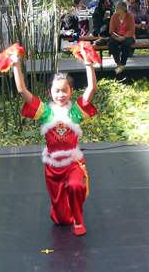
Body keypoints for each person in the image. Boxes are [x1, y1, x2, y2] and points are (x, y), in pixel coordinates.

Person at [11, 46, 98, 236]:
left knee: (75, 186)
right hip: (53, 167)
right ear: (50, 92)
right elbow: (22, 90)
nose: (61, 95)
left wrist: (88, 62)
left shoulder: (75, 113)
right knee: (61, 219)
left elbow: (91, 88)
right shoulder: (46, 113)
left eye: (65, 90)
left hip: (73, 162)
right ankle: (68, 215)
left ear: (71, 91)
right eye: (57, 91)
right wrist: (16, 64)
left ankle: (79, 220)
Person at [108, 0, 136, 74]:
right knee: (112, 43)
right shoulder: (114, 17)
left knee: (126, 44)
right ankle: (118, 63)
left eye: (118, 8)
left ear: (123, 9)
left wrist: (124, 37)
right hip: (117, 36)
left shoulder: (130, 16)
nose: (116, 9)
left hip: (128, 36)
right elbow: (112, 30)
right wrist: (115, 36)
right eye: (115, 8)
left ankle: (123, 63)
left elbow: (131, 30)